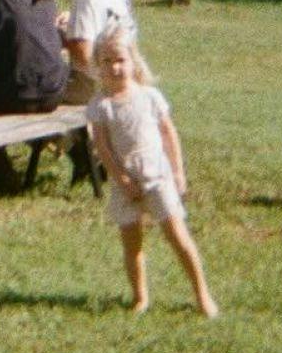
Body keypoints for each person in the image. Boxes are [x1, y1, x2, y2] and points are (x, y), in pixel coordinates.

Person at [86, 30, 218, 317]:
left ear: (133, 61)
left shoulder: (148, 96)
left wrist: (178, 172)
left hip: (158, 177)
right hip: (125, 182)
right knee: (132, 243)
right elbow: (102, 147)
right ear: (98, 64)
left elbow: (169, 133)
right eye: (106, 61)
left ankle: (202, 295)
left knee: (178, 237)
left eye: (120, 60)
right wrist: (120, 178)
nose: (114, 67)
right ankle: (140, 297)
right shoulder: (100, 106)